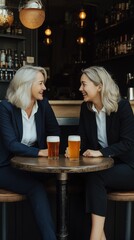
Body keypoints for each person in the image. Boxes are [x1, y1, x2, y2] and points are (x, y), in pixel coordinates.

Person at [65, 66, 134, 240]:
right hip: (105, 169)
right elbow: (82, 140)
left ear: (99, 86)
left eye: (84, 84)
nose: (80, 89)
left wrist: (101, 152)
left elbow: (128, 143)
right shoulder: (85, 108)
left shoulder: (122, 106)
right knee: (85, 178)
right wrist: (74, 149)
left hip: (129, 166)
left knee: (95, 178)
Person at [0, 65, 60, 240]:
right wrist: (40, 152)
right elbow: (11, 144)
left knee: (61, 180)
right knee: (36, 188)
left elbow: (54, 130)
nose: (44, 88)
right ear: (26, 84)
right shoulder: (5, 108)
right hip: (4, 166)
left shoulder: (43, 104)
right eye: (40, 83)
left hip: (32, 166)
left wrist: (51, 149)